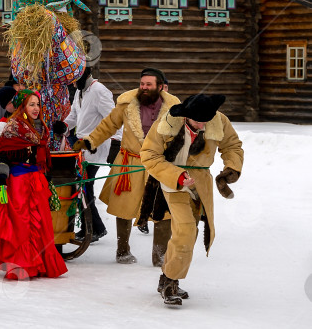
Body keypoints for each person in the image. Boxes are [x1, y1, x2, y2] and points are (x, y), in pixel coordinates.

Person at [140, 94, 244, 306]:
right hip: (172, 181)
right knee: (186, 229)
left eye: (206, 120)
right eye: (197, 120)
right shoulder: (167, 122)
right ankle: (170, 282)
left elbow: (232, 145)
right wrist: (176, 176)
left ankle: (165, 276)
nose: (202, 124)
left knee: (188, 232)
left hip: (201, 183)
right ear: (186, 116)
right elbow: (150, 155)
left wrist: (232, 168)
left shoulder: (219, 120)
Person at [73, 67, 180, 264]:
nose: (144, 88)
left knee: (163, 210)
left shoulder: (173, 108)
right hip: (129, 163)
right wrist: (90, 141)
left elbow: (182, 135)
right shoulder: (127, 104)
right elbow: (108, 125)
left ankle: (160, 255)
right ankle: (122, 251)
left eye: (149, 84)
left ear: (160, 87)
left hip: (159, 165)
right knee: (124, 207)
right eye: (142, 84)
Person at [0, 90, 67, 279]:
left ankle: (40, 264)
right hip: (18, 183)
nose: (36, 108)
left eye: (38, 104)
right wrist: (2, 180)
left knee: (41, 224)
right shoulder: (12, 128)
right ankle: (22, 265)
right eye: (31, 104)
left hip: (36, 182)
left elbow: (44, 156)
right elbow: (2, 156)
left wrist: (47, 176)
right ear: (22, 107)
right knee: (22, 226)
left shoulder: (42, 128)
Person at [64, 66, 119, 242]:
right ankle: (94, 227)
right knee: (81, 187)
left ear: (83, 76)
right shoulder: (80, 92)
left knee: (83, 187)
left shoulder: (99, 91)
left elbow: (113, 119)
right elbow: (74, 115)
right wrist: (64, 126)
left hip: (95, 146)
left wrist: (116, 142)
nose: (72, 83)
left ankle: (94, 227)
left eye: (74, 79)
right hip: (80, 146)